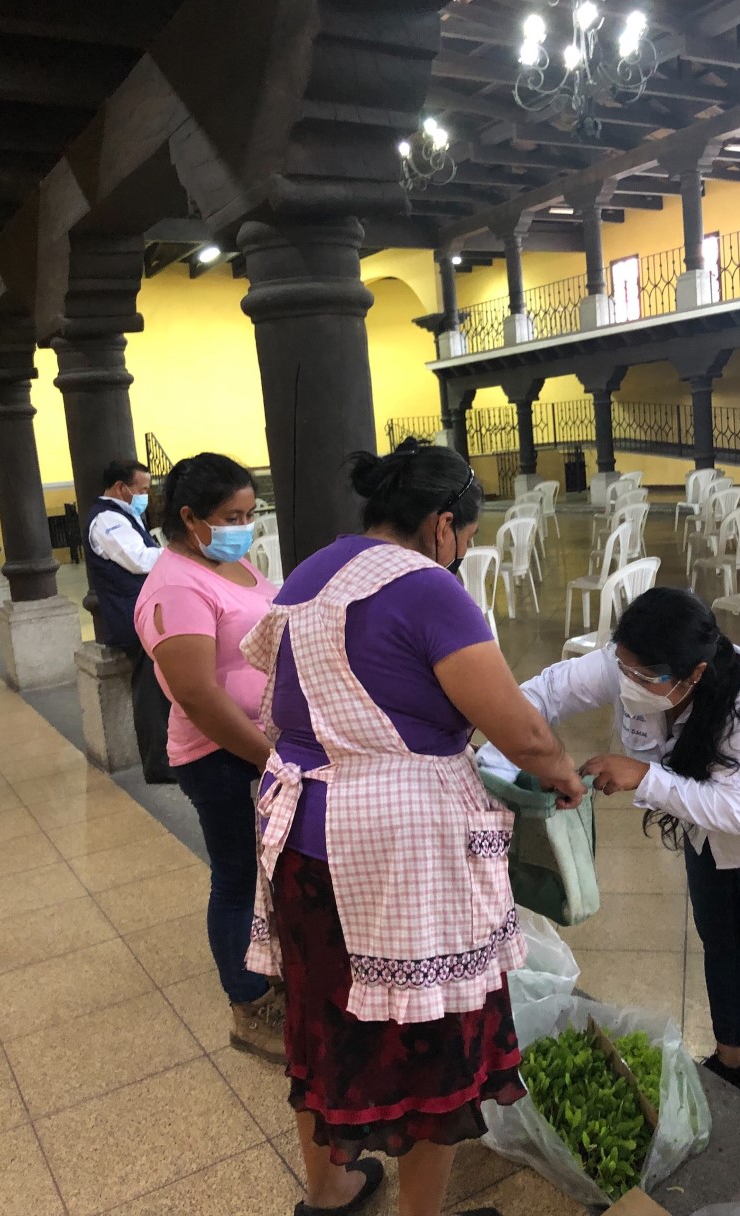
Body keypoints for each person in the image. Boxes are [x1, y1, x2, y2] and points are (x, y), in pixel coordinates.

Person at [241, 439, 586, 1216]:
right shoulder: (431, 590)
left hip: (299, 834)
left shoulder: (312, 571)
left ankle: (328, 1191)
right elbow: (517, 730)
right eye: (464, 536)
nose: (463, 551)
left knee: (321, 1015)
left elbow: (281, 690)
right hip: (392, 849)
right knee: (433, 1032)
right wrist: (563, 773)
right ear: (441, 524)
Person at [478, 586, 740, 1125]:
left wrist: (642, 776)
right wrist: (507, 754)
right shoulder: (631, 664)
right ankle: (733, 1057)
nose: (628, 682)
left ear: (694, 673)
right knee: (719, 937)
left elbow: (735, 810)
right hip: (708, 826)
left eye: (643, 675)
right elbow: (548, 692)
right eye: (622, 666)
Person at [134, 452, 284, 1063]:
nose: (244, 526)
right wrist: (264, 756)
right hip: (220, 755)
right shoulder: (175, 585)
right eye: (231, 515)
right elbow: (196, 693)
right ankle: (246, 1007)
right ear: (189, 517)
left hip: (263, 746)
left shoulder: (228, 560)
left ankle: (269, 974)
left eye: (250, 513)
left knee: (267, 874)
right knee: (236, 875)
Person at [84, 458, 172, 783]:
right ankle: (159, 763)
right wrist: (182, 552)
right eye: (143, 489)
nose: (146, 495)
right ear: (122, 488)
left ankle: (170, 754)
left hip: (144, 615)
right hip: (131, 620)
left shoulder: (124, 514)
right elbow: (139, 559)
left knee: (161, 687)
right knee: (150, 690)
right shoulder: (108, 519)